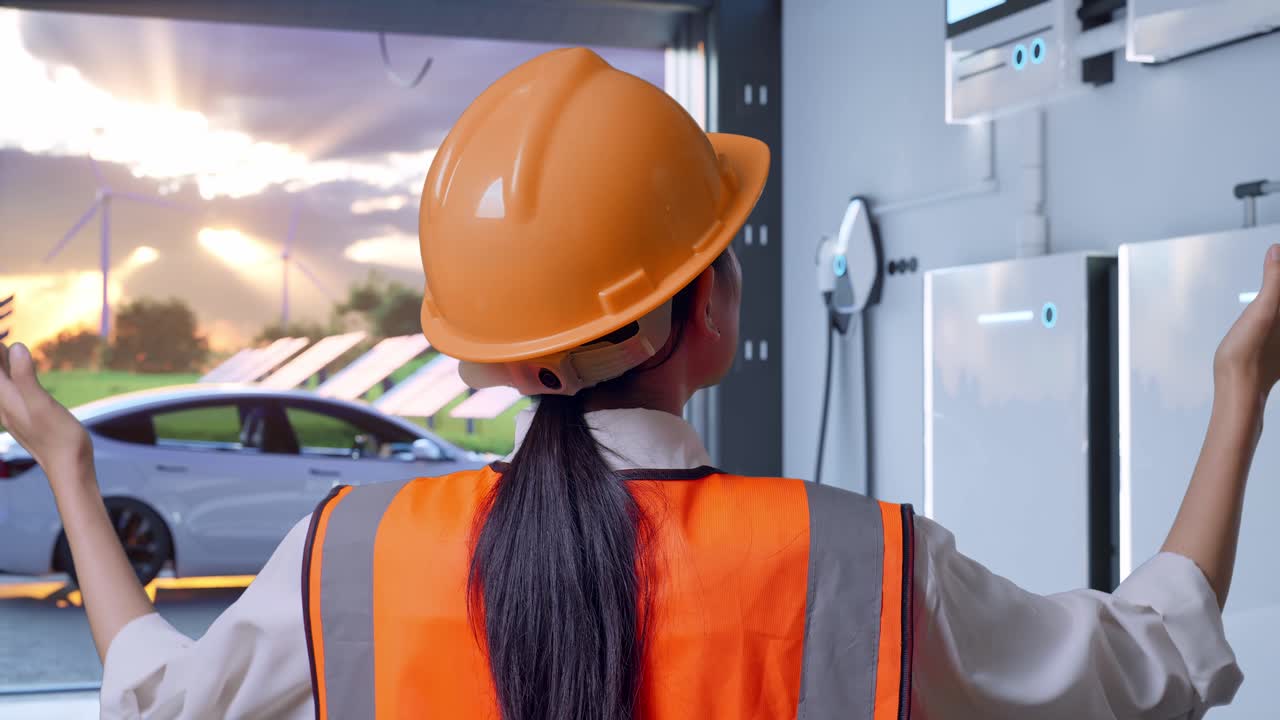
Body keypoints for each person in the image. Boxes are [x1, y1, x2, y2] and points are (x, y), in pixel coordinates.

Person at [0, 47, 1267, 720]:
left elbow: (155, 703)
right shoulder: (857, 564)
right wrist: (1237, 384)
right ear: (703, 310)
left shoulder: (347, 561)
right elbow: (1146, 672)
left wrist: (70, 460)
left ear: (482, 350)